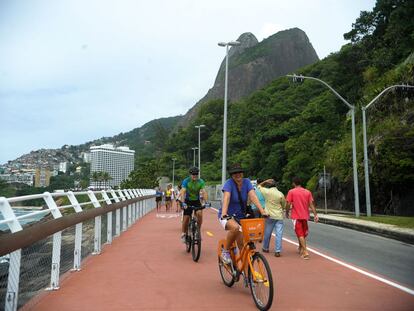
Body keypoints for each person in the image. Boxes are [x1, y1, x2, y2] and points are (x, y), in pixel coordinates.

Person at [219, 163, 268, 264]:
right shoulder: (229, 183)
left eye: (239, 172)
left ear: (242, 173)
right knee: (235, 228)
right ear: (232, 175)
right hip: (228, 215)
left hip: (242, 216)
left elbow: (253, 196)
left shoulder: (247, 182)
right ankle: (226, 251)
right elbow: (226, 197)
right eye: (235, 173)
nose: (238, 175)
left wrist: (262, 210)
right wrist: (224, 213)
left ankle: (247, 277)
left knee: (242, 246)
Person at [285, 176, 319, 260]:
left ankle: (305, 252)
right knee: (303, 233)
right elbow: (311, 204)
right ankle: (300, 247)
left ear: (293, 183)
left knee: (300, 234)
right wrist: (315, 215)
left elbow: (288, 204)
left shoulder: (291, 192)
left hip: (296, 216)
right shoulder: (307, 192)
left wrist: (287, 212)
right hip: (305, 216)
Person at [178, 167, 208, 243]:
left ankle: (198, 231)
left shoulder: (201, 181)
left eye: (196, 174)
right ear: (190, 174)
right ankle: (183, 234)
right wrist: (183, 202)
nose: (195, 175)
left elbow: (204, 191)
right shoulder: (186, 181)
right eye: (193, 174)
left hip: (196, 201)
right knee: (186, 218)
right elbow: (183, 191)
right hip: (187, 201)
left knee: (199, 214)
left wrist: (206, 201)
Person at [257, 179, 286, 257]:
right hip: (279, 216)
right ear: (276, 185)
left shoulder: (267, 192)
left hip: (269, 215)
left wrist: (265, 181)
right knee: (279, 234)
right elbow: (283, 205)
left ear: (268, 186)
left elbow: (259, 186)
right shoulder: (280, 194)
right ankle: (277, 250)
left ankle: (265, 248)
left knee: (267, 232)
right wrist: (281, 210)